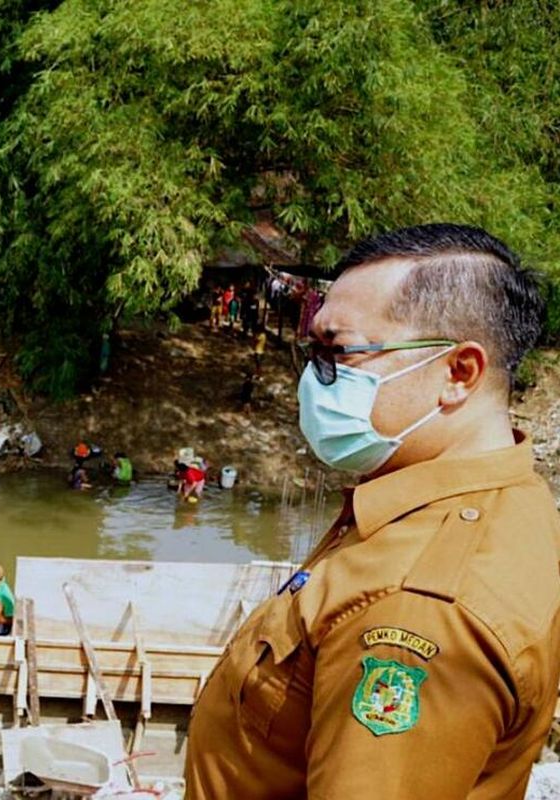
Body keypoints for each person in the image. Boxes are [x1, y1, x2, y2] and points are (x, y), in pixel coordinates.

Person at [184, 224, 560, 799]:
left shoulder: (418, 607)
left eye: (339, 352)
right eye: (313, 352)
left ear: (458, 374)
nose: (314, 378)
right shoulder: (488, 502)